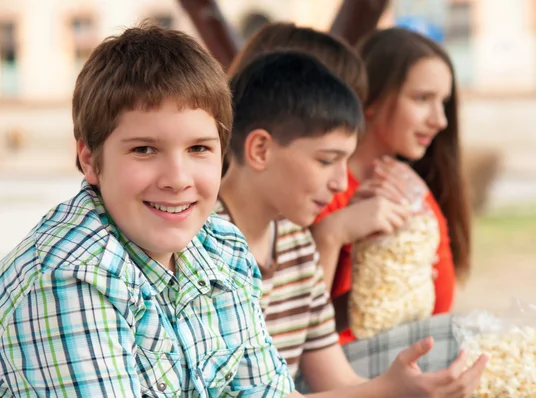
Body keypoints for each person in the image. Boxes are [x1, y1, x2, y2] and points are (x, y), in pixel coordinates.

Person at [0, 23, 295, 396]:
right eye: (144, 149)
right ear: (90, 160)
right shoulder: (68, 278)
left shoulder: (224, 249)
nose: (177, 179)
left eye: (198, 149)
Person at [218, 49, 486, 397]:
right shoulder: (203, 246)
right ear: (260, 150)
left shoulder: (296, 243)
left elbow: (339, 382)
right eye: (327, 160)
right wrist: (389, 391)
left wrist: (418, 388)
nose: (341, 183)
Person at [312, 27, 471, 377]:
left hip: (415, 362)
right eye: (421, 98)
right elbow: (302, 331)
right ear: (373, 99)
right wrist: (337, 235)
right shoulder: (319, 192)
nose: (440, 120)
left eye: (442, 103)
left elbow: (439, 307)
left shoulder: (417, 194)